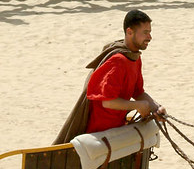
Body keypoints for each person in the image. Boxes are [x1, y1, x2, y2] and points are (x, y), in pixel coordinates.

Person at [52, 10, 166, 144]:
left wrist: (156, 107)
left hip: (116, 127)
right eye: (145, 32)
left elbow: (138, 92)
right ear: (130, 32)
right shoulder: (118, 61)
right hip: (100, 132)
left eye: (150, 32)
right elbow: (108, 102)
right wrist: (137, 106)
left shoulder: (134, 57)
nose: (150, 37)